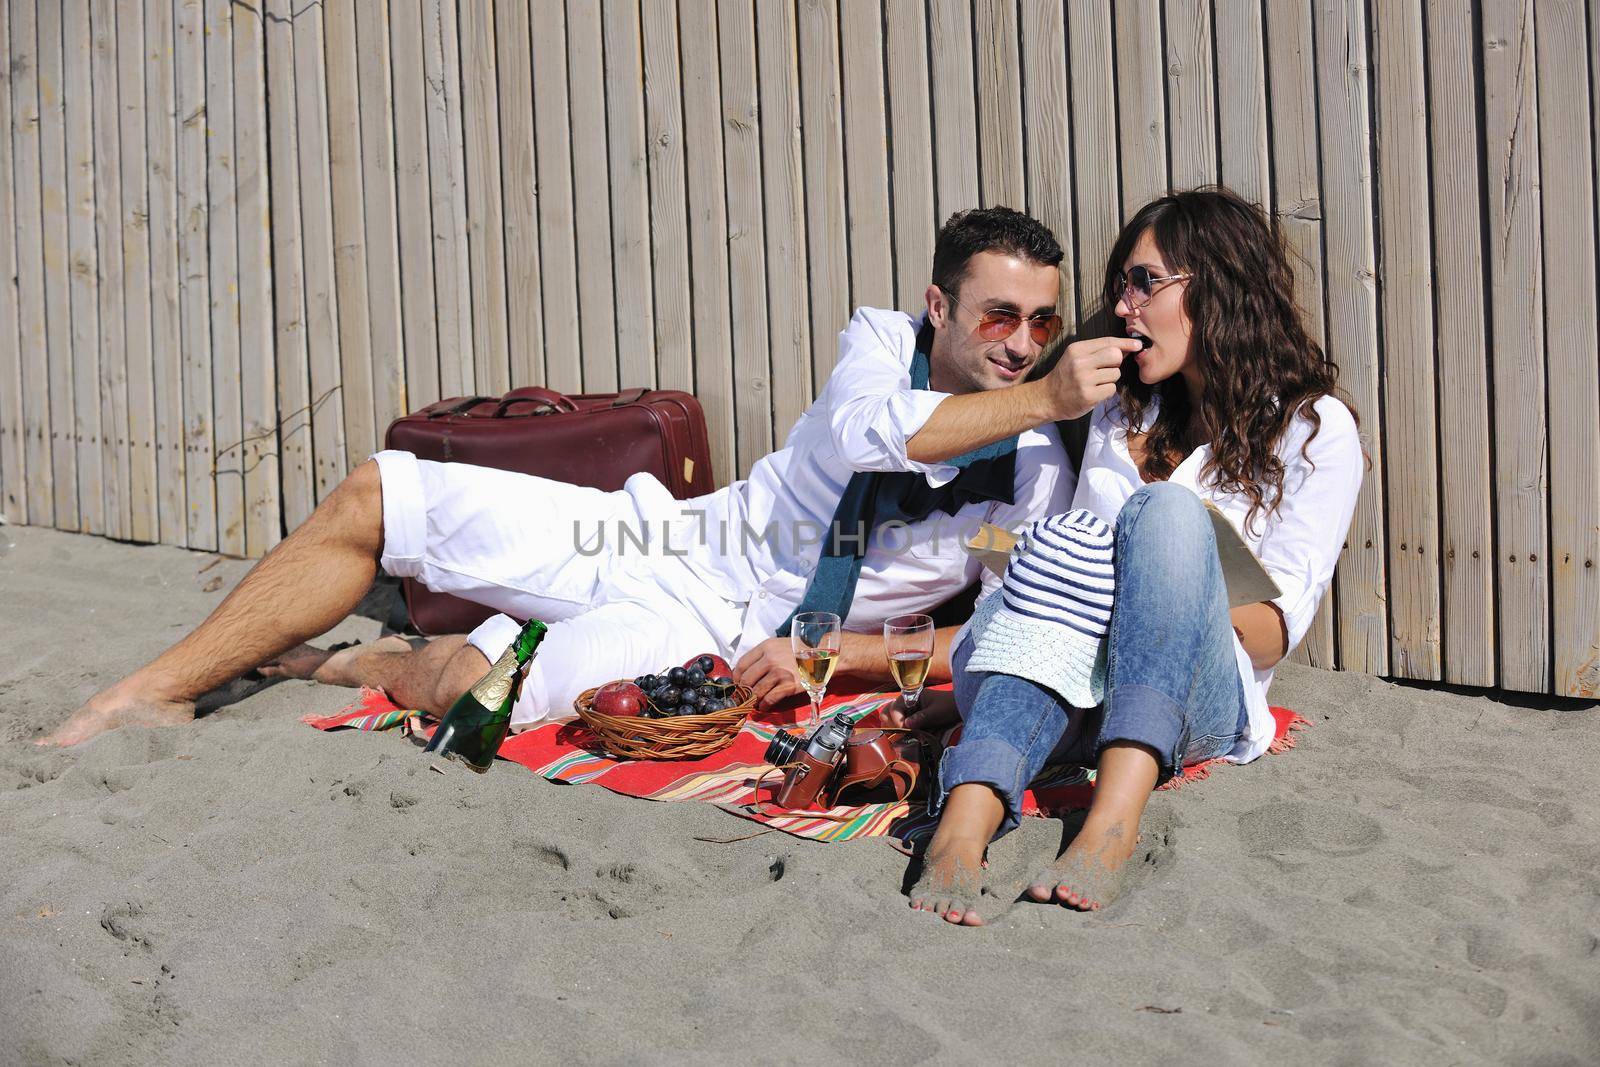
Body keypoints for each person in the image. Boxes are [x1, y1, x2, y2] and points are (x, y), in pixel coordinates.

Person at [40, 207, 1143, 746]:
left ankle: (339, 661)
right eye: (998, 312)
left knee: (485, 696)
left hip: (722, 637)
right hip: (671, 541)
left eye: (1043, 322)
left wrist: (853, 651)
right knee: (385, 487)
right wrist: (1046, 392)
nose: (1021, 338)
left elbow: (1009, 612)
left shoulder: (1042, 463)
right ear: (940, 303)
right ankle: (146, 690)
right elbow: (872, 435)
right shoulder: (878, 343)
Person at [900, 187, 1364, 925]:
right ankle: (962, 826)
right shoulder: (1121, 409)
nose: (1124, 306)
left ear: (1216, 287)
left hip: (1197, 692)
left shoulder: (1313, 430)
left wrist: (1163, 581)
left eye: (1145, 282)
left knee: (1166, 513)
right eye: (1122, 285)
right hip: (1076, 667)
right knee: (1072, 549)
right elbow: (1053, 579)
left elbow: (1278, 629)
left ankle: (1112, 824)